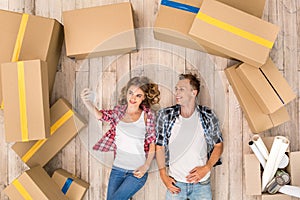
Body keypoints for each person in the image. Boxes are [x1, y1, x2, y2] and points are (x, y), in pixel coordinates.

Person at [81, 76, 160, 200]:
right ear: (126, 92)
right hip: (117, 170)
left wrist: (146, 166)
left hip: (136, 173)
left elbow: (152, 144)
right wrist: (88, 103)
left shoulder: (147, 116)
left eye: (138, 95)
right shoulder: (118, 112)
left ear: (144, 97)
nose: (133, 98)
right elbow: (100, 115)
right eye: (131, 93)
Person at [155, 73, 223, 200]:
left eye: (182, 89)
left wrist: (207, 168)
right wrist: (163, 175)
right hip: (175, 183)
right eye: (176, 89)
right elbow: (159, 146)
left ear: (194, 92)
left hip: (201, 184)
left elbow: (218, 145)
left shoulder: (207, 115)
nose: (177, 93)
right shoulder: (165, 115)